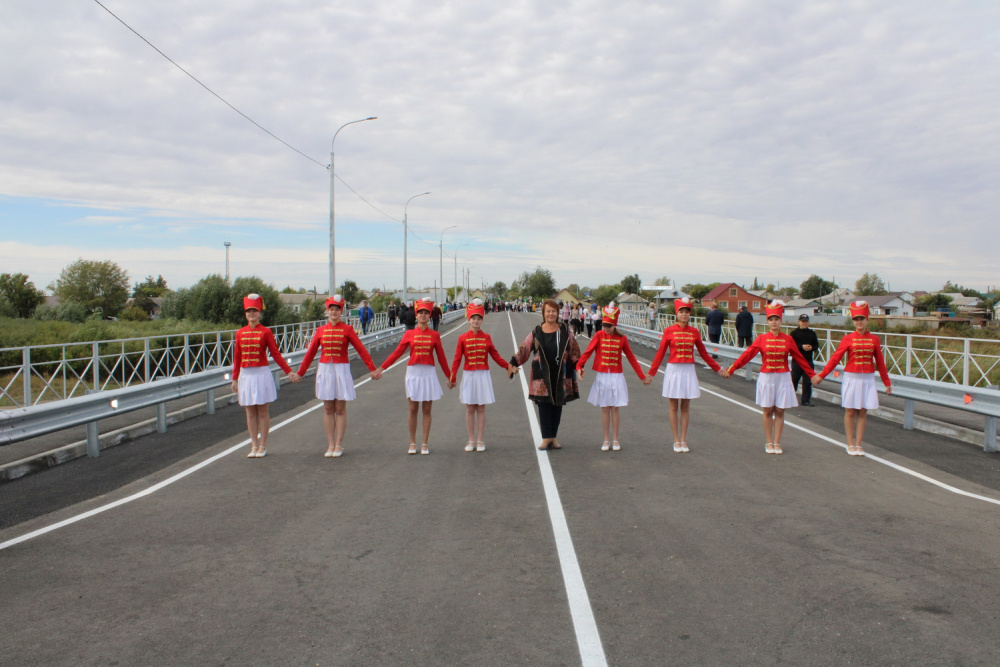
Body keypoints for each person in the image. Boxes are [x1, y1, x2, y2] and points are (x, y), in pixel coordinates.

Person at [723, 301, 816, 455]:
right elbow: (747, 355)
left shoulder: (788, 339)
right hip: (767, 377)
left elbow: (799, 358)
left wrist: (813, 375)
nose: (774, 322)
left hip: (783, 377)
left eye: (776, 319)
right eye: (771, 319)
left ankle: (777, 442)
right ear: (767, 322)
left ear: (781, 321)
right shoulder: (762, 338)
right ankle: (768, 441)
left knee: (780, 410)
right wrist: (732, 368)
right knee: (767, 410)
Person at [294, 295, 379, 458]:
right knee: (327, 408)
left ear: (341, 312)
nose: (334, 312)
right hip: (325, 369)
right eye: (331, 309)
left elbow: (361, 349)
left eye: (337, 309)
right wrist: (300, 373)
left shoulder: (348, 330)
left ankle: (339, 443)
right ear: (328, 311)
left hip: (341, 369)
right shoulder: (320, 331)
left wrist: (372, 368)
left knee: (340, 408)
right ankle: (330, 444)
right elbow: (310, 353)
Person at [812, 301, 892, 456]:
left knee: (862, 411)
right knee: (850, 410)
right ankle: (849, 443)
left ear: (867, 319)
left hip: (867, 378)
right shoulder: (848, 338)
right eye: (856, 319)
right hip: (852, 377)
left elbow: (880, 362)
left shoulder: (874, 339)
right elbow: (835, 359)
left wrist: (886, 382)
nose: (859, 322)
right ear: (853, 321)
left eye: (861, 319)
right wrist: (822, 375)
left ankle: (859, 444)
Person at [374, 298, 451, 455]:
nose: (423, 315)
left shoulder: (435, 335)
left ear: (429, 316)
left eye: (426, 313)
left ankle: (424, 443)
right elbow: (397, 353)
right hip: (413, 373)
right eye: (420, 313)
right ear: (416, 315)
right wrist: (381, 368)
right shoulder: (409, 334)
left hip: (428, 373)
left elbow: (441, 358)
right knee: (412, 408)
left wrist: (450, 376)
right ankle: (412, 442)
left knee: (427, 409)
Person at [647, 297, 724, 452]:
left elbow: (704, 354)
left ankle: (683, 439)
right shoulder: (669, 331)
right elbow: (661, 353)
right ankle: (676, 439)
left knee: (686, 406)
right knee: (673, 406)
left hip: (688, 370)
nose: (684, 314)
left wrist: (718, 369)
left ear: (689, 314)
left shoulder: (694, 332)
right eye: (681, 311)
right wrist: (651, 373)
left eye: (686, 312)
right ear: (676, 313)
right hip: (674, 369)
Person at [230, 294, 300, 458]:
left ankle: (263, 445)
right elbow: (237, 357)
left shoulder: (266, 332)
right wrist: (234, 378)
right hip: (246, 375)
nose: (251, 314)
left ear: (259, 313)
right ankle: (253, 444)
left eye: (254, 311)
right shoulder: (240, 333)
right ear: (245, 314)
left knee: (262, 411)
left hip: (261, 373)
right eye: (249, 311)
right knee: (250, 411)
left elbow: (275, 354)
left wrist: (288, 371)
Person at [576, 303, 651, 451]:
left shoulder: (622, 339)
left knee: (615, 408)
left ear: (614, 325)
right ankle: (606, 439)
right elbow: (588, 352)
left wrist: (642, 376)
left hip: (616, 376)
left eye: (609, 326)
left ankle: (615, 439)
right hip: (602, 376)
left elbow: (632, 358)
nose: (606, 328)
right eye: (604, 325)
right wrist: (579, 367)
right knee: (605, 408)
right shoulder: (599, 335)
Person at [510, 298, 581, 450]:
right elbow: (525, 348)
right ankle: (546, 438)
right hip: (541, 374)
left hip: (561, 373)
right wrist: (514, 363)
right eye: (548, 311)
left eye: (553, 311)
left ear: (557, 313)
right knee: (544, 406)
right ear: (543, 313)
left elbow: (574, 349)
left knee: (557, 405)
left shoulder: (565, 330)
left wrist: (578, 366)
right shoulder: (537, 331)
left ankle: (553, 437)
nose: (551, 314)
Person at [448, 298, 512, 452]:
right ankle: (471, 440)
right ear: (468, 320)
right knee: (470, 408)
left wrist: (508, 367)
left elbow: (495, 355)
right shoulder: (462, 338)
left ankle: (480, 440)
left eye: (478, 318)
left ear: (482, 320)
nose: (476, 321)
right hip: (469, 375)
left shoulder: (486, 337)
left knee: (481, 408)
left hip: (482, 374)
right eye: (473, 318)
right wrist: (452, 377)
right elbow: (457, 359)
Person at [790, 314, 819, 406]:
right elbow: (791, 346)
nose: (804, 323)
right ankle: (790, 398)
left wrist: (811, 348)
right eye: (803, 321)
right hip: (797, 361)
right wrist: (801, 347)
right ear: (799, 322)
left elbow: (816, 345)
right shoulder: (794, 333)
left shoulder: (812, 333)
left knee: (807, 381)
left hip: (808, 360)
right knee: (794, 379)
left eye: (806, 321)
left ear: (808, 322)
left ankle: (805, 400)